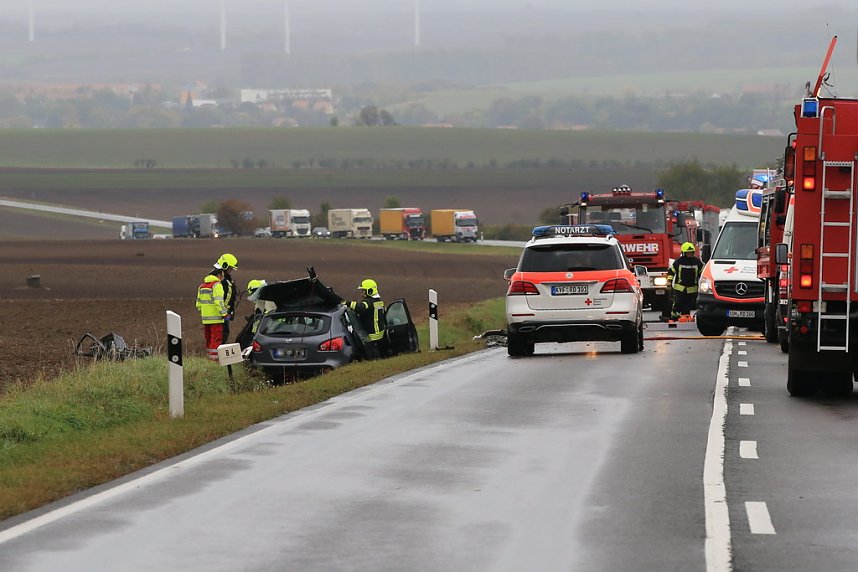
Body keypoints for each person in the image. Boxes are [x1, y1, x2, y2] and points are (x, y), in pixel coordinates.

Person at [347, 278, 387, 359]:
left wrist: (346, 303)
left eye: (363, 291)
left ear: (369, 291)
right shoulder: (379, 302)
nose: (362, 294)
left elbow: (361, 307)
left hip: (371, 337)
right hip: (380, 335)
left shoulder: (368, 302)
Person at [196, 266, 228, 362]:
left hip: (205, 319)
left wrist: (205, 313)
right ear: (218, 275)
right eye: (222, 276)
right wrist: (224, 313)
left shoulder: (202, 286)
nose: (223, 278)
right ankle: (214, 361)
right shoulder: (217, 285)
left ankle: (209, 359)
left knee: (209, 340)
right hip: (216, 319)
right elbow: (219, 302)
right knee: (216, 340)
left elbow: (198, 304)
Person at [666, 242, 705, 320]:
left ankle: (685, 316)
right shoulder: (678, 261)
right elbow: (671, 272)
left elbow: (702, 274)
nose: (690, 254)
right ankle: (674, 316)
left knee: (689, 304)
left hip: (692, 288)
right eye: (688, 253)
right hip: (680, 288)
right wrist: (669, 282)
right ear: (683, 253)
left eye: (691, 252)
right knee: (678, 302)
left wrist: (703, 284)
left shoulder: (697, 262)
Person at [214, 253, 239, 342]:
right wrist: (226, 313)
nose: (231, 271)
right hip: (221, 316)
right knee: (220, 338)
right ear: (225, 266)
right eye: (230, 269)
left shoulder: (220, 279)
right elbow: (222, 300)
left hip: (220, 316)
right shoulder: (222, 281)